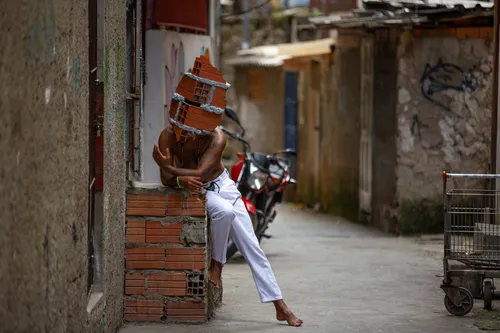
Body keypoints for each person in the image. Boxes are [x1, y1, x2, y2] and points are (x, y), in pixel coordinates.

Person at [152, 56, 302, 327]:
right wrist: (177, 180)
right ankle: (217, 266)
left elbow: (198, 173)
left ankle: (279, 304)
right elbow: (166, 179)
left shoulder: (216, 136)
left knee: (251, 245)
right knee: (223, 211)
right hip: (196, 190)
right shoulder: (168, 136)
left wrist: (172, 170)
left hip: (219, 184)